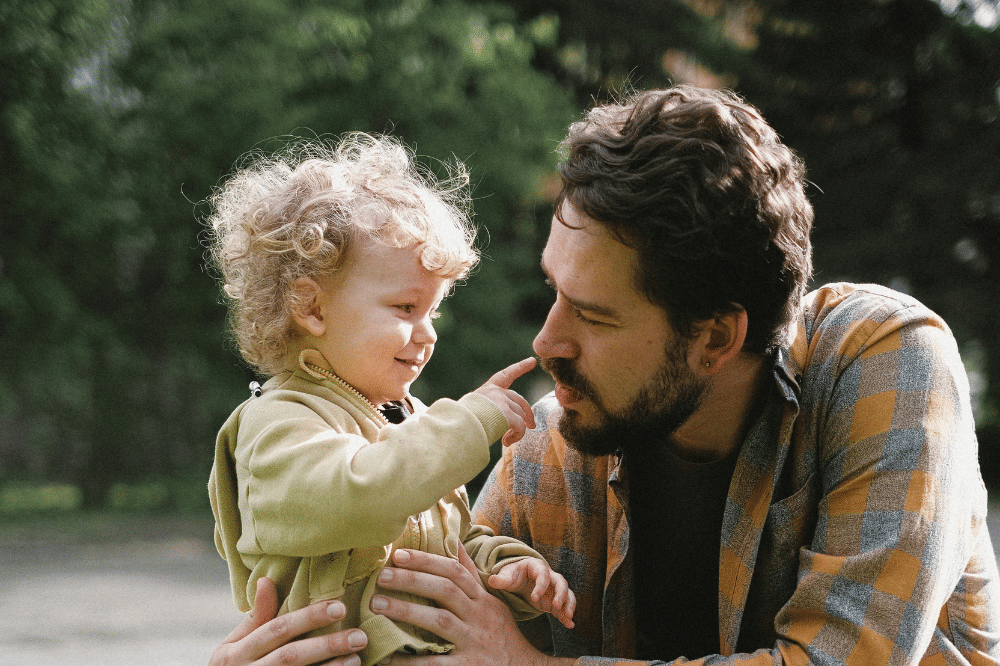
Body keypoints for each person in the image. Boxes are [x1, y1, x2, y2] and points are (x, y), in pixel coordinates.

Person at [212, 87, 1000, 666]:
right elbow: (431, 630)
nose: (547, 341)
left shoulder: (883, 361)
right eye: (554, 290)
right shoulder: (552, 451)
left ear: (715, 336)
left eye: (594, 315)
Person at [205, 133, 575, 666]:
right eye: (406, 307)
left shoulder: (408, 424)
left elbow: (442, 544)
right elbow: (363, 494)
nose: (428, 334)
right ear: (311, 307)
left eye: (434, 312)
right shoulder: (277, 425)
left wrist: (504, 568)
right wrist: (471, 421)